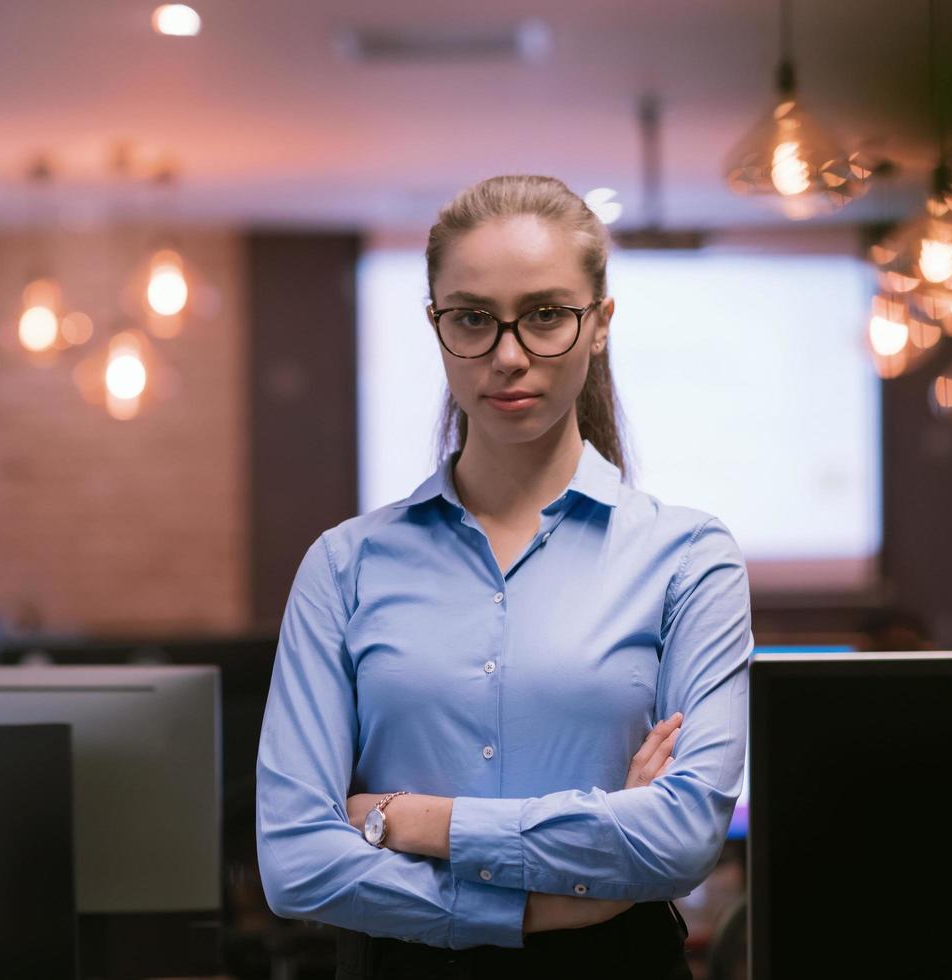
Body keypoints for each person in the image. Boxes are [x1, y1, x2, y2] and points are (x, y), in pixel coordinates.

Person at [255, 175, 752, 978]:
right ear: (437, 325)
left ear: (600, 326)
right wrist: (547, 902)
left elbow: (681, 838)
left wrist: (419, 821)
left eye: (547, 315)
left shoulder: (690, 559)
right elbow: (295, 860)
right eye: (473, 319)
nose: (509, 355)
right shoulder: (344, 565)